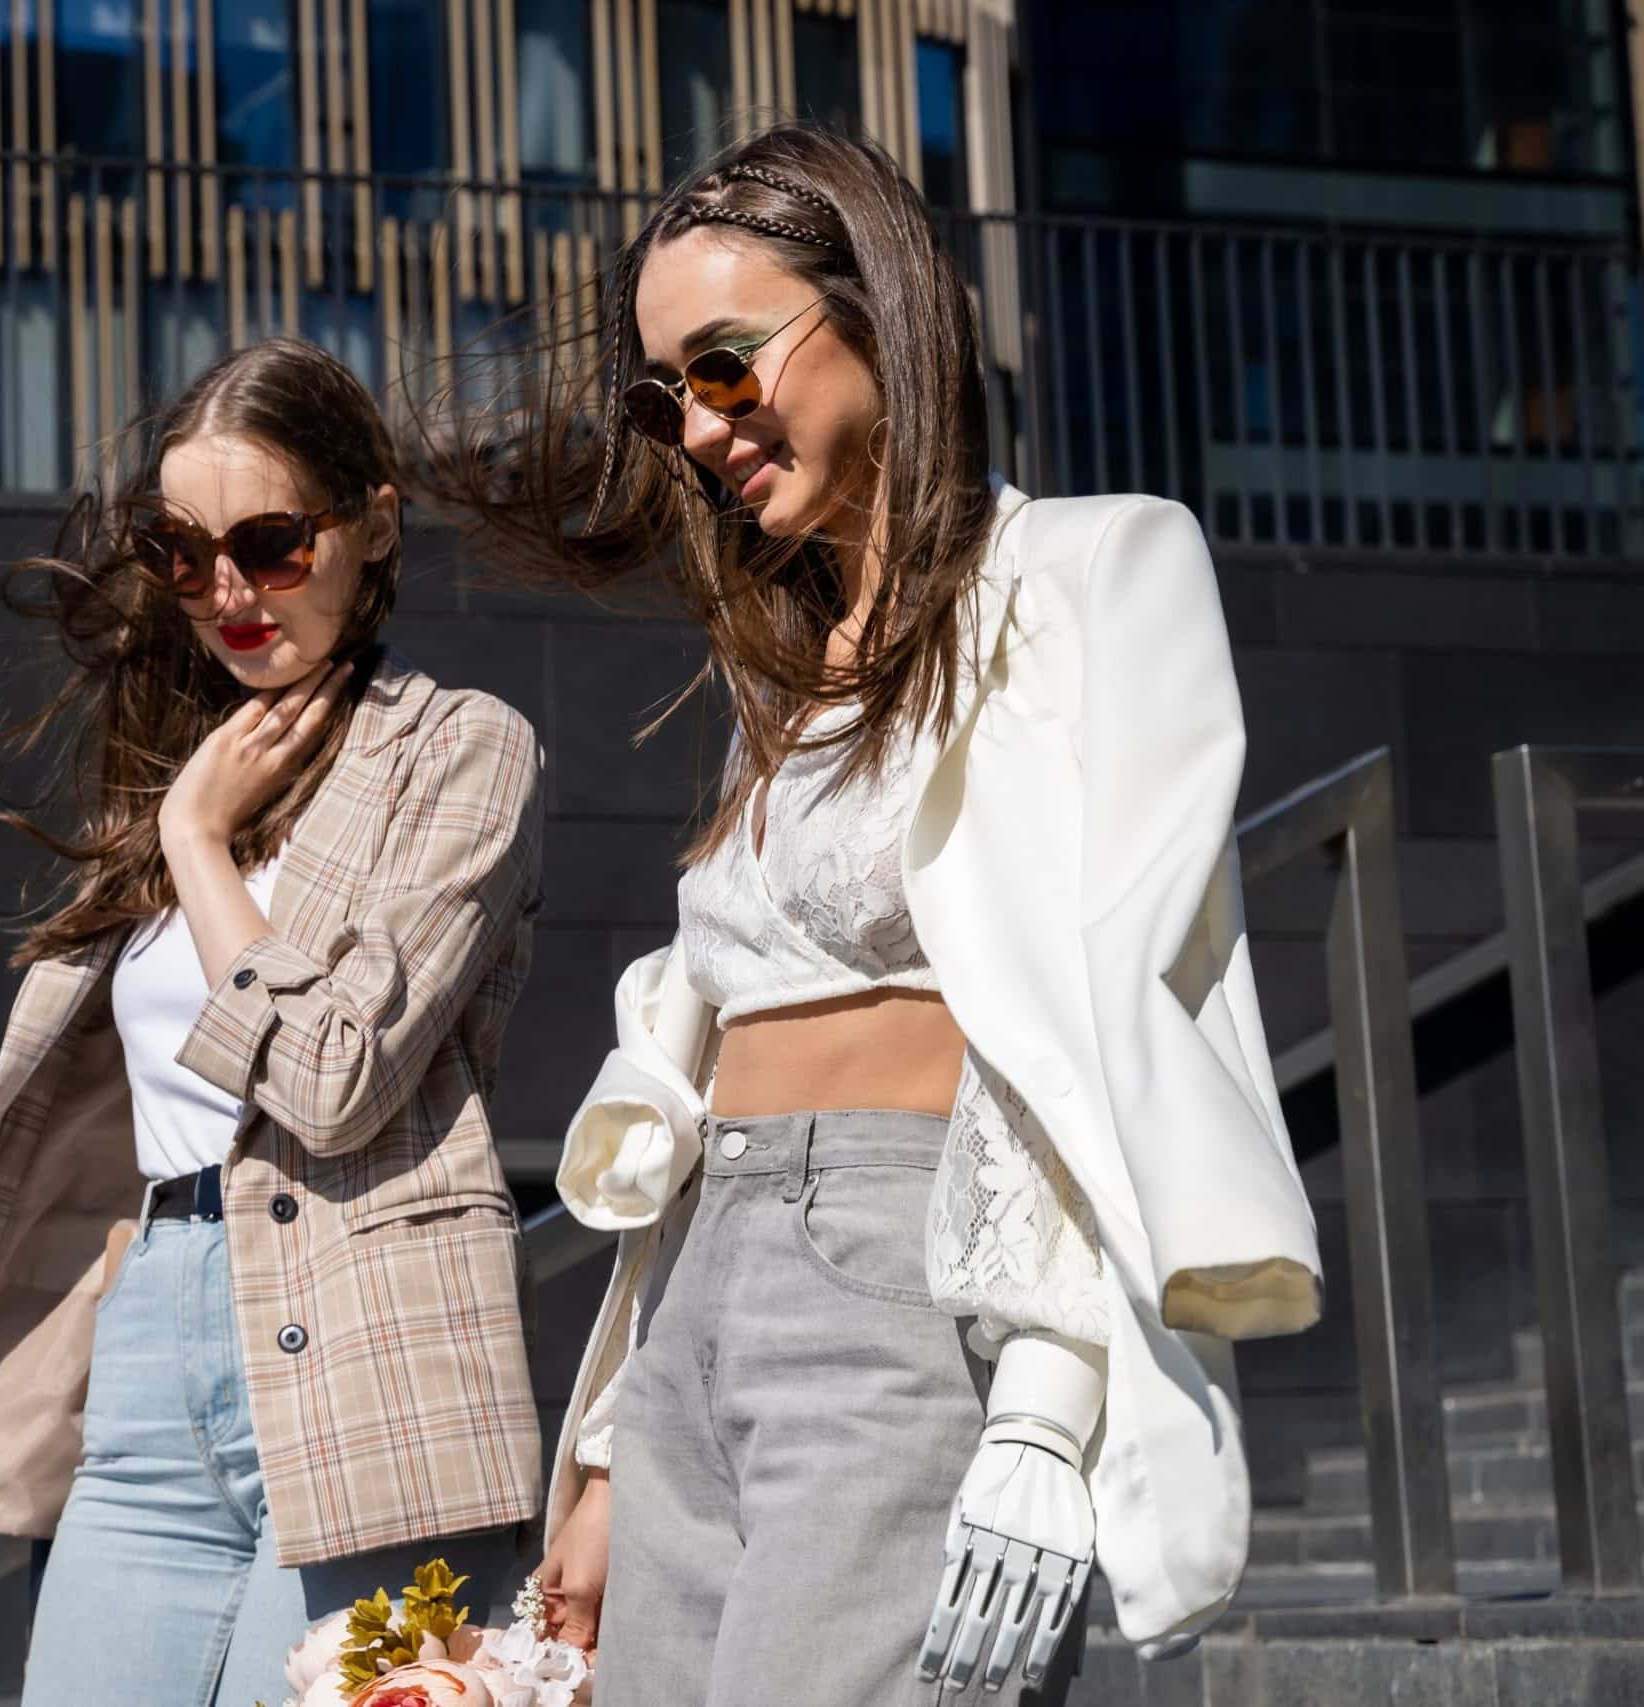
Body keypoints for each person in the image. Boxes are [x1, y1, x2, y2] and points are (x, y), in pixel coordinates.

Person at [423, 124, 1323, 1704]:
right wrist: (624, 1433)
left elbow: (1127, 1004)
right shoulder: (782, 682)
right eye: (660, 395)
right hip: (706, 1293)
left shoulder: (1096, 571)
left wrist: (1053, 1398)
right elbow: (707, 1071)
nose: (694, 430)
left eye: (720, 366)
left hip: (915, 1287)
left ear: (879, 304)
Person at [0, 338, 547, 1707]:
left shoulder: (463, 750)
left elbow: (334, 1077)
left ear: (374, 527)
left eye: (270, 542)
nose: (230, 594)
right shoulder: (174, 768)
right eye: (186, 555)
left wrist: (200, 844)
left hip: (371, 1343)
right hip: (152, 1347)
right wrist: (182, 814)